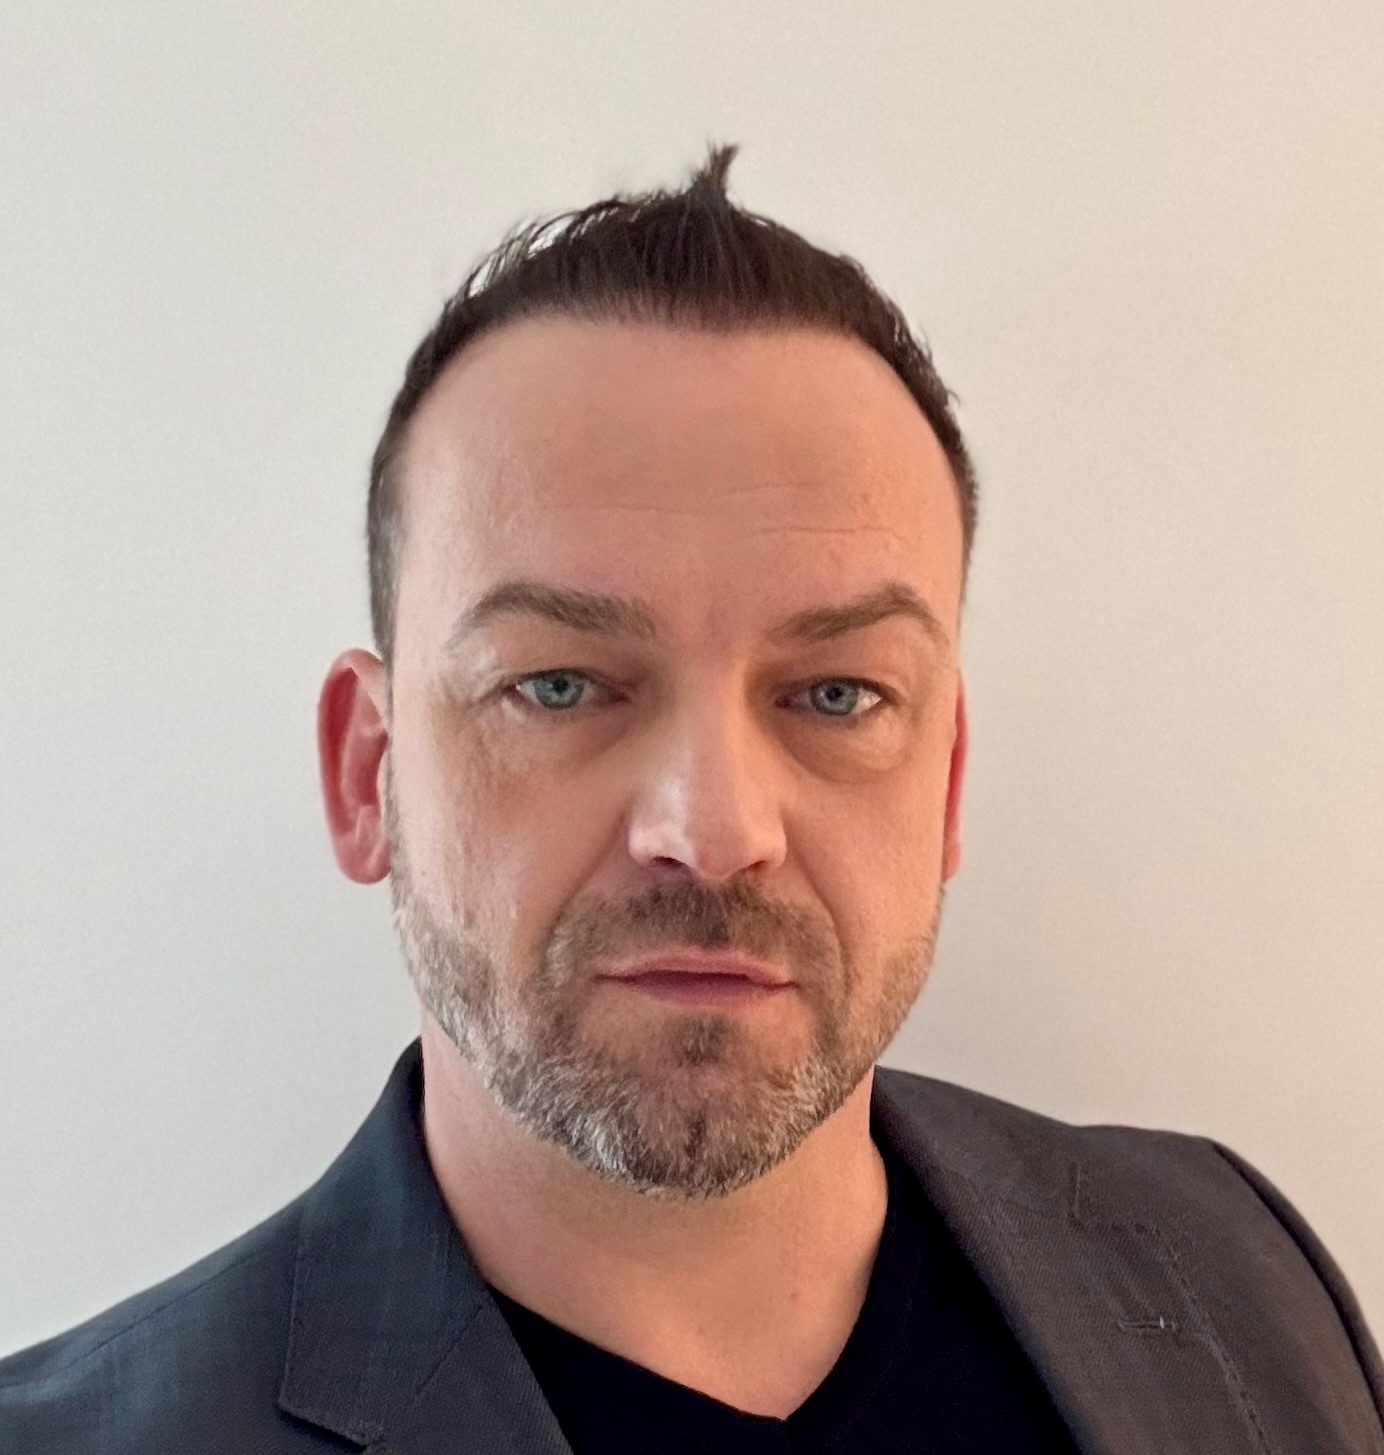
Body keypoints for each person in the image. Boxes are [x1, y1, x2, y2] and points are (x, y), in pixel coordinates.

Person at [2, 142, 1380, 1454]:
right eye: (558, 686)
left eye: (836, 695)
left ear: (948, 780)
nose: (716, 834)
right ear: (368, 776)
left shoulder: (1234, 1265)